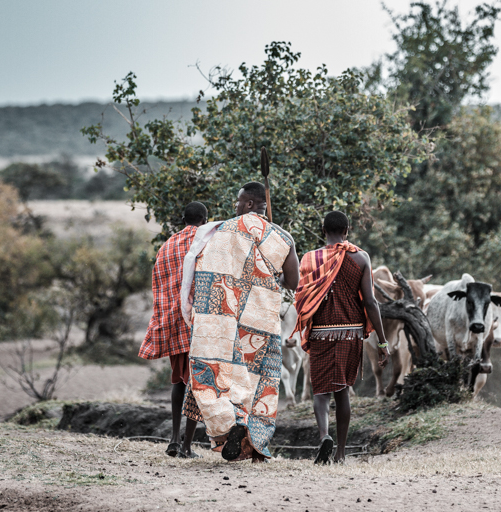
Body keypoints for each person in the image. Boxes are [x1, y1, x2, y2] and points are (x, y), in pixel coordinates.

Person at [179, 182, 299, 462]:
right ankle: (256, 445)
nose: (235, 207)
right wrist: (268, 279)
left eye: (238, 202)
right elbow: (292, 282)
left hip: (223, 318)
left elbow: (206, 269)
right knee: (260, 380)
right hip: (261, 321)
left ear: (248, 204)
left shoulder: (223, 230)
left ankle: (231, 423)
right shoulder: (282, 237)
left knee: (219, 373)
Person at [293, 211, 388, 465]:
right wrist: (382, 341)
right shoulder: (361, 257)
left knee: (320, 392)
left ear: (323, 230)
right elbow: (370, 302)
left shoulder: (309, 259)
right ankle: (341, 453)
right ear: (347, 230)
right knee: (343, 390)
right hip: (351, 332)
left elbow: (301, 297)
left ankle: (325, 435)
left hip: (321, 332)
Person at [139, 201, 207, 458]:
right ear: (205, 219)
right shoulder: (206, 242)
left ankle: (173, 439)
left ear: (183, 219)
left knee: (179, 380)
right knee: (198, 384)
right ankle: (187, 445)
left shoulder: (167, 246)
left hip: (174, 323)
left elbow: (160, 286)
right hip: (199, 324)